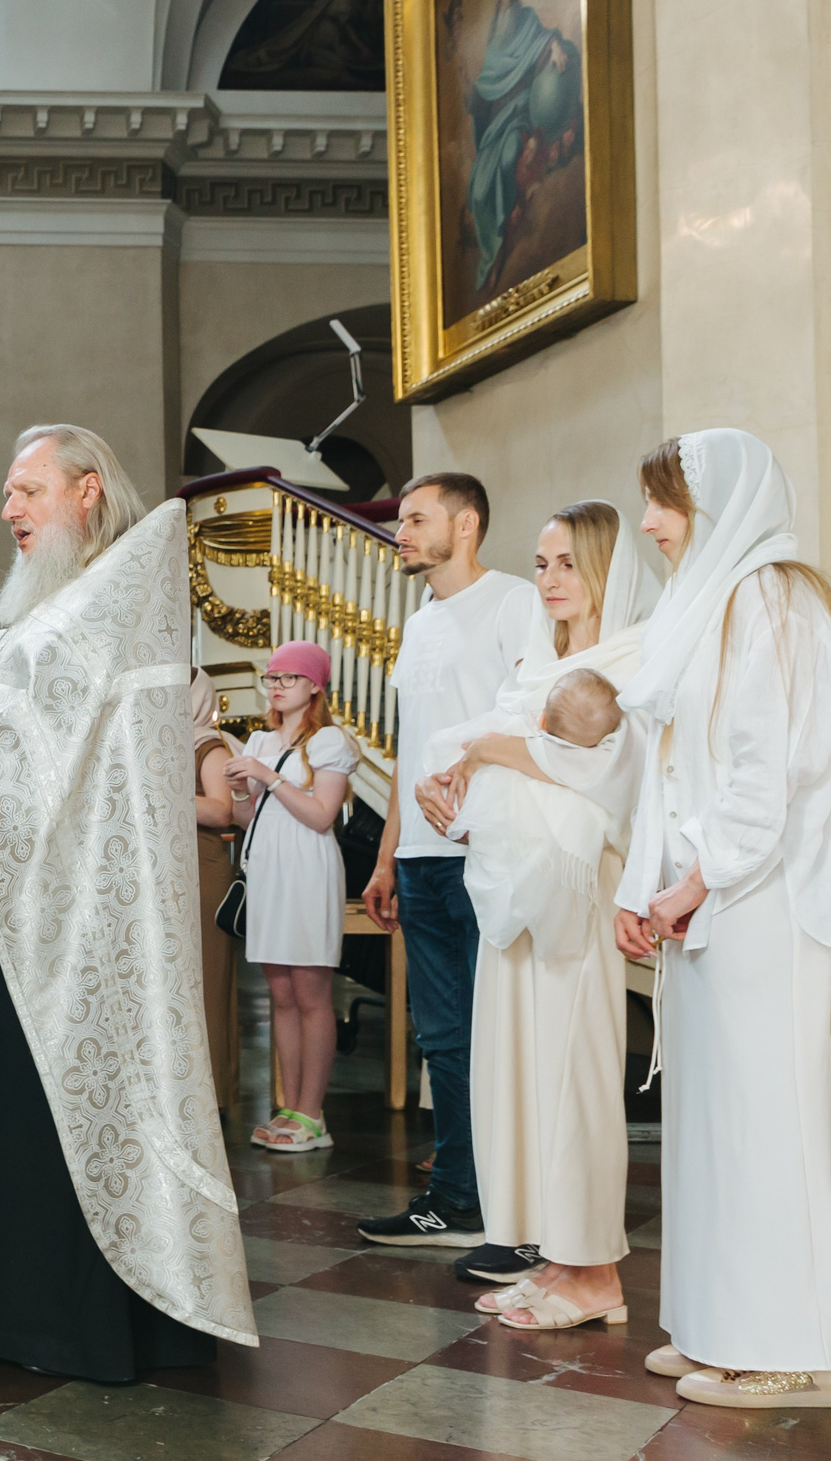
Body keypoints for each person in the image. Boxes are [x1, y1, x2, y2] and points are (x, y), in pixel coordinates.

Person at [0, 424, 253, 1379]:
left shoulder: (115, 595)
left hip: (74, 920)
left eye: (27, 491)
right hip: (6, 903)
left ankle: (64, 1312)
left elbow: (75, 733)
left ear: (88, 491)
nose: (8, 511)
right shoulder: (40, 616)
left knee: (57, 1098)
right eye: (6, 495)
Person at [613, 431, 831, 1409]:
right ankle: (722, 1326)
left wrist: (692, 884)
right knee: (714, 1124)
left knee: (763, 1120)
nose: (647, 522)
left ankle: (789, 1350)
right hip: (710, 901)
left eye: (663, 502)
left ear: (722, 503)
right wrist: (645, 889)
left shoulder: (768, 596)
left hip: (758, 901)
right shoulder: (710, 601)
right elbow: (671, 764)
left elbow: (762, 772)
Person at [420, 505, 649, 1321]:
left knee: (573, 1072)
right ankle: (553, 1256)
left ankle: (598, 1274)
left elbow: (595, 767)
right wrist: (451, 771)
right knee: (515, 1069)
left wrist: (483, 751)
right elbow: (502, 735)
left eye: (566, 564)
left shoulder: (631, 658)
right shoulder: (539, 660)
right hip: (510, 889)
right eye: (542, 562)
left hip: (577, 894)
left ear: (605, 568)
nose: (549, 579)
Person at [356, 472, 531, 1253]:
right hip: (422, 858)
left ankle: (516, 1202)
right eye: (401, 518)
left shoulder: (515, 602)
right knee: (444, 1037)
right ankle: (458, 1195)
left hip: (486, 848)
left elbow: (535, 729)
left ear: (466, 525)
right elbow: (408, 745)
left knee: (501, 1032)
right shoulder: (419, 621)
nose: (402, 529)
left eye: (416, 518)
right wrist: (388, 854)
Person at [226, 641, 356, 1154]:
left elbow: (322, 815)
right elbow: (244, 820)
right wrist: (239, 787)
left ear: (314, 686)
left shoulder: (328, 741)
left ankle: (312, 1113)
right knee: (280, 993)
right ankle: (288, 1107)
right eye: (272, 677)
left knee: (311, 992)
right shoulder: (258, 738)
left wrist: (267, 776)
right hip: (270, 869)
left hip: (308, 867)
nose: (276, 686)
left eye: (288, 678)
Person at [188, 669, 243, 1110]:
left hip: (201, 873)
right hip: (170, 870)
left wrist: (156, 795)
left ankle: (211, 1100)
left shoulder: (206, 744)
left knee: (205, 984)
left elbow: (221, 809)